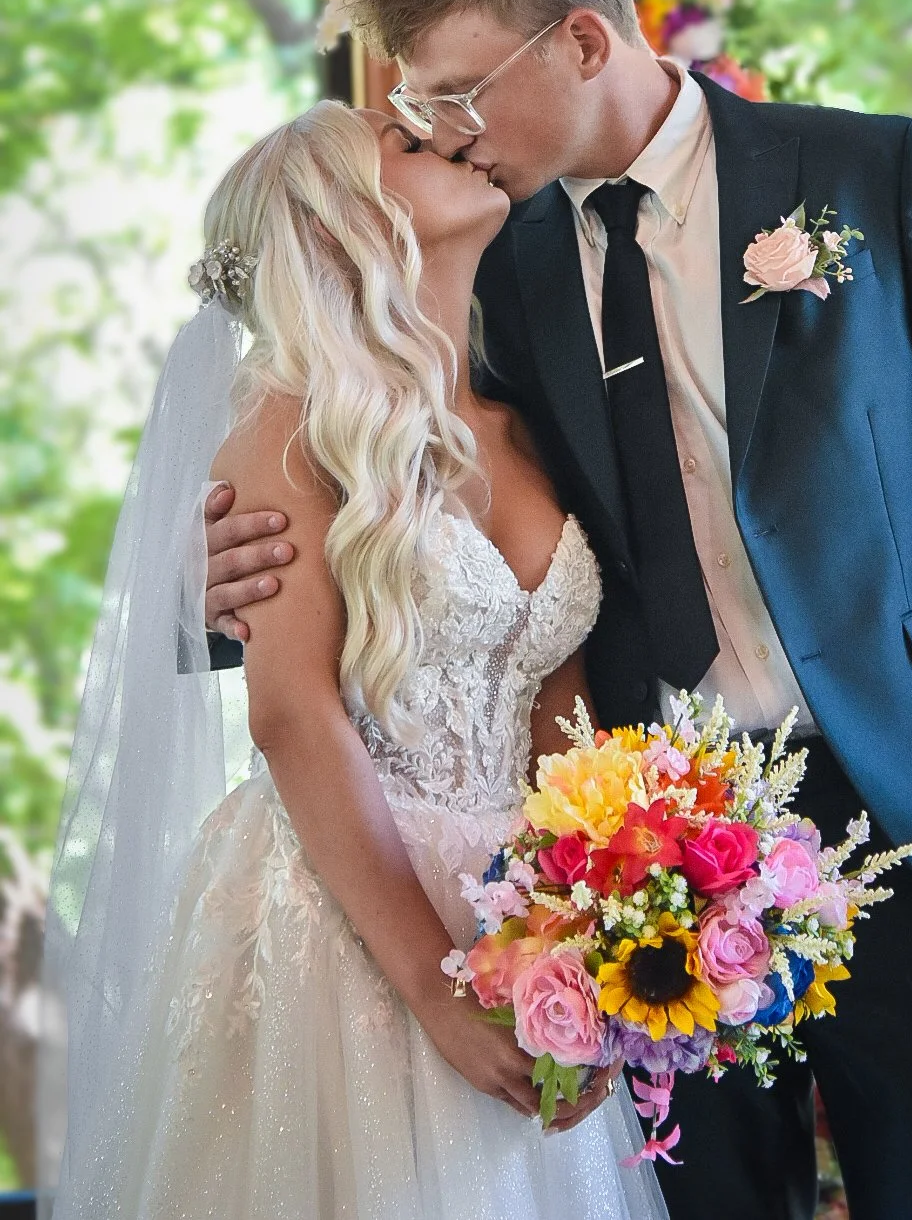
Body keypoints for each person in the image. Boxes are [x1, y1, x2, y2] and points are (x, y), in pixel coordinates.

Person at [206, 0, 912, 1220]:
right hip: (636, 870)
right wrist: (216, 589)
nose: (439, 133)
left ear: (582, 41)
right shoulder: (482, 251)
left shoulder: (863, 174)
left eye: (452, 92)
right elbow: (386, 493)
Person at [41, 99, 668, 1220]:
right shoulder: (293, 426)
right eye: (406, 146)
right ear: (342, 227)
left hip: (512, 903)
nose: (450, 137)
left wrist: (578, 936)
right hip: (347, 920)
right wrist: (440, 989)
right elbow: (290, 716)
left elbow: (552, 699)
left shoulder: (520, 423)